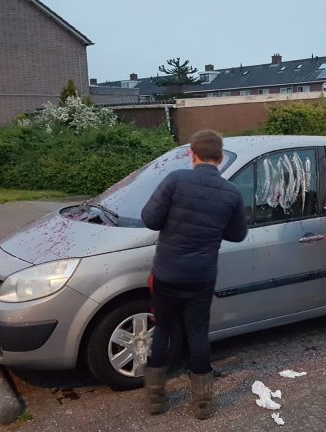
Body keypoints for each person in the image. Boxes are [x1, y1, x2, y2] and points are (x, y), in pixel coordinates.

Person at [141, 130, 248, 419]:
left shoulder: (176, 180)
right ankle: (202, 403)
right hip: (201, 275)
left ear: (192, 154)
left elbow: (149, 219)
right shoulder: (231, 192)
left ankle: (155, 399)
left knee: (163, 329)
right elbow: (238, 234)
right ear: (220, 158)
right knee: (198, 332)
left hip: (166, 273)